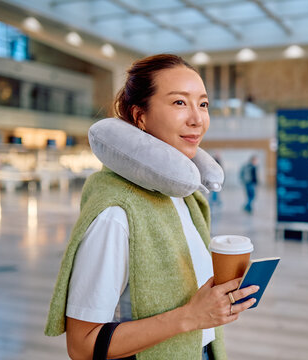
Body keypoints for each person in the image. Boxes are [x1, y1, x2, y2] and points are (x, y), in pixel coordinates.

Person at [45, 54, 258, 360]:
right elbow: (82, 346)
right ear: (140, 116)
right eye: (179, 103)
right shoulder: (115, 214)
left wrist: (219, 299)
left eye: (203, 104)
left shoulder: (185, 195)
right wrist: (191, 317)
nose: (198, 119)